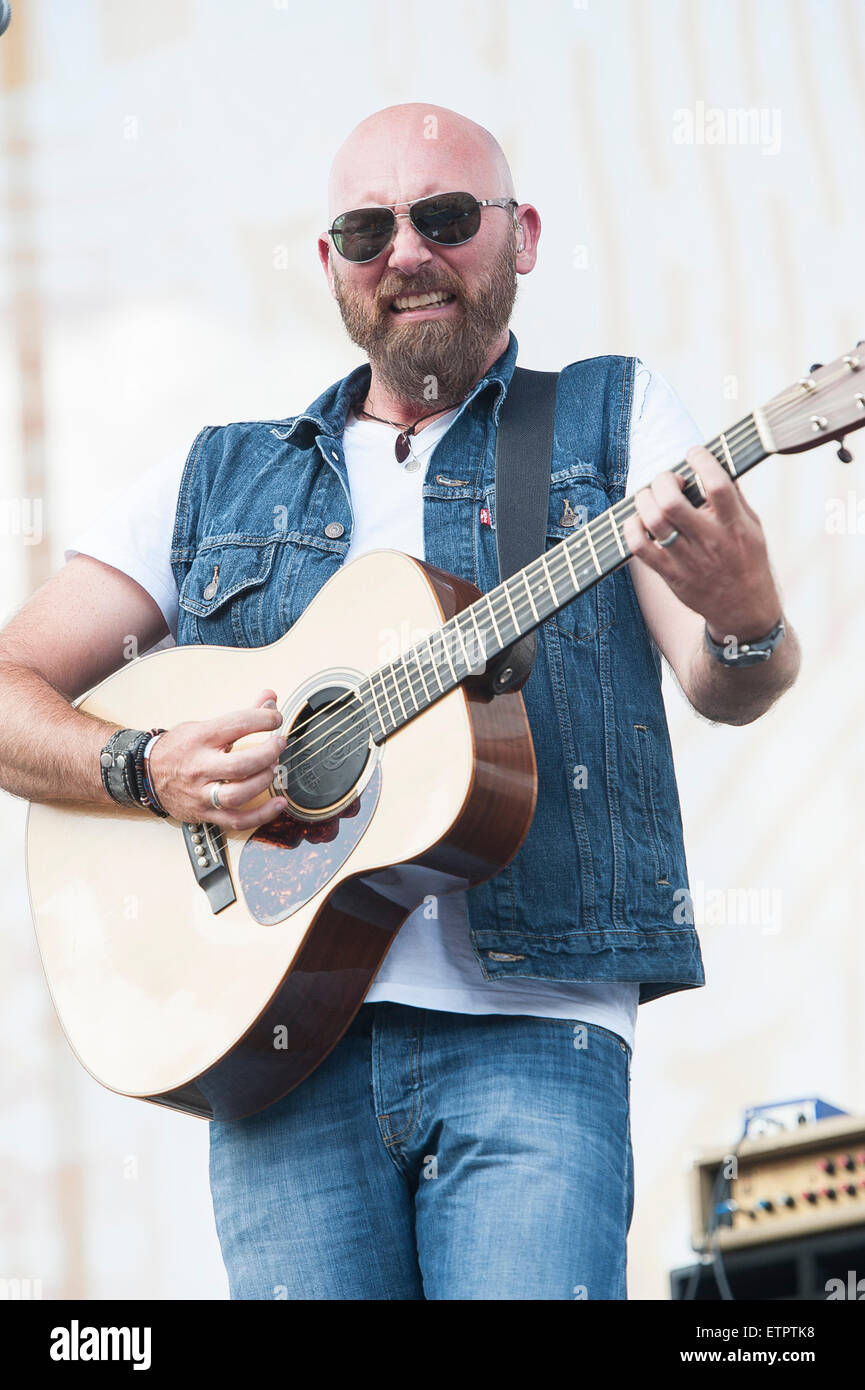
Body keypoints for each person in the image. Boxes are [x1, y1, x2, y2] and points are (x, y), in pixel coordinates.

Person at [0, 103, 800, 1300]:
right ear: (330, 263)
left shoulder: (614, 418)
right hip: (276, 1048)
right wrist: (146, 764)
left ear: (520, 234)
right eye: (367, 229)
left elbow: (724, 679)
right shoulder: (214, 474)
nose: (406, 252)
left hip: (539, 1032)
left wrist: (747, 620)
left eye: (443, 217)